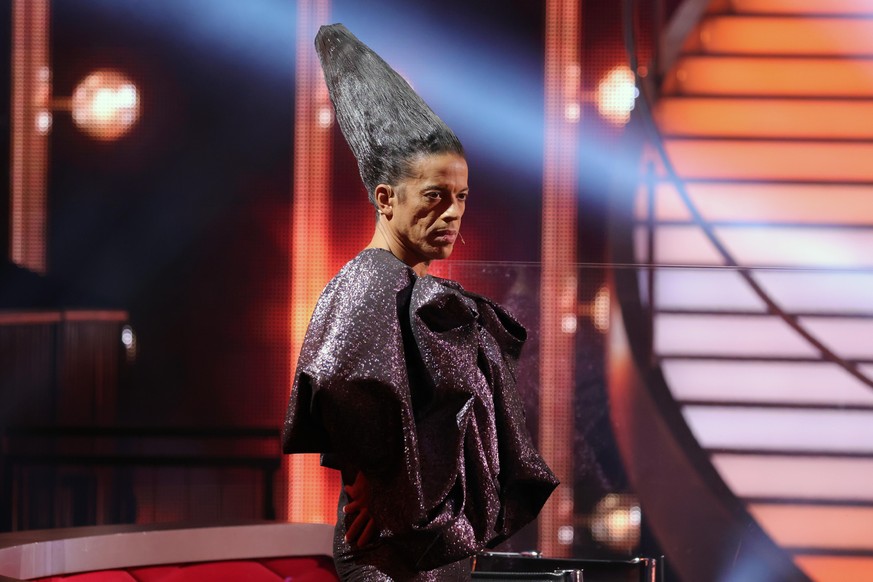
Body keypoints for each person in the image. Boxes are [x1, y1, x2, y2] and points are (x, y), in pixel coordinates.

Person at [282, 24, 558, 581]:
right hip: (392, 554)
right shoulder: (368, 283)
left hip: (429, 543)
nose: (453, 213)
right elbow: (338, 389)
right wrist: (365, 480)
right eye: (435, 197)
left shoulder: (410, 286)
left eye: (460, 197)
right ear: (387, 199)